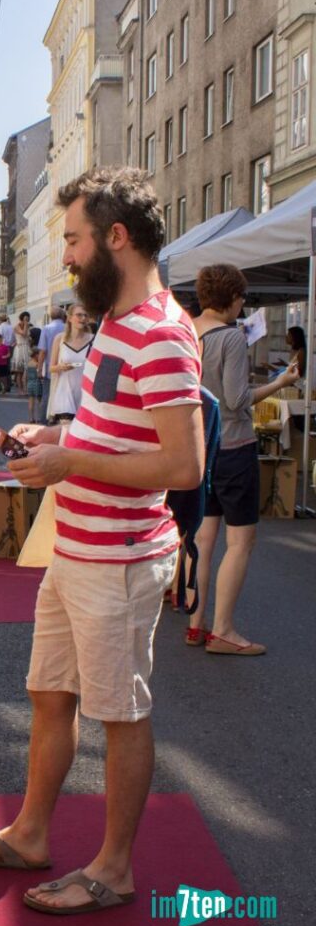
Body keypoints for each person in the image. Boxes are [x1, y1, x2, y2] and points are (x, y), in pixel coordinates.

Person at [0, 167, 204, 917]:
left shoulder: (159, 332)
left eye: (74, 240)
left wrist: (66, 460)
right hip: (79, 547)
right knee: (48, 693)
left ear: (115, 239)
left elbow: (182, 466)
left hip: (119, 557)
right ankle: (30, 834)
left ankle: (115, 870)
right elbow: (113, 432)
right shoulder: (119, 323)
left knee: (119, 713)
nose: (65, 256)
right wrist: (53, 437)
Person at [186, 264, 300, 654]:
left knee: (203, 538)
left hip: (201, 447)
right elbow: (236, 400)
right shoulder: (231, 338)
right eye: (241, 298)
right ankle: (223, 631)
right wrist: (280, 383)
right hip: (234, 447)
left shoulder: (186, 333)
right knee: (240, 542)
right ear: (233, 299)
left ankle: (196, 623)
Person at [46, 302, 93, 423]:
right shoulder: (60, 339)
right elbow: (51, 368)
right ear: (70, 318)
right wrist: (60, 367)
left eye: (85, 315)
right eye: (79, 315)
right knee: (65, 433)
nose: (82, 318)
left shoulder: (93, 339)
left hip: (85, 395)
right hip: (64, 393)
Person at [37, 304, 67, 423]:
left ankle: (44, 420)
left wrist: (39, 368)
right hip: (65, 367)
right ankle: (59, 419)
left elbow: (43, 351)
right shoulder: (67, 328)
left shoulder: (46, 328)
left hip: (50, 367)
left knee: (47, 396)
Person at [12, 311, 32, 392]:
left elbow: (28, 337)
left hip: (26, 347)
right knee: (19, 371)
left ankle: (26, 388)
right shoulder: (17, 326)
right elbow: (23, 334)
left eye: (28, 318)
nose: (26, 320)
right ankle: (20, 390)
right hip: (20, 348)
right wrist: (26, 325)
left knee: (27, 370)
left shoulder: (27, 326)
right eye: (25, 318)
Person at [25, 346, 44, 423]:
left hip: (29, 383)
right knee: (39, 401)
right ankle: (38, 417)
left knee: (31, 402)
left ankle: (31, 418)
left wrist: (24, 386)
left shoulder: (28, 363)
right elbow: (40, 375)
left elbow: (24, 376)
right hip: (37, 383)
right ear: (36, 355)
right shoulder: (37, 364)